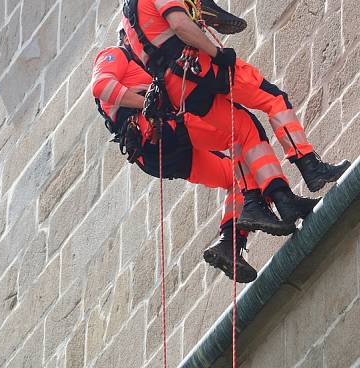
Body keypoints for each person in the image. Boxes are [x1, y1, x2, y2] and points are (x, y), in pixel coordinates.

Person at [121, 0, 351, 228]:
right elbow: (179, 23)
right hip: (197, 66)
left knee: (243, 130)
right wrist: (216, 53)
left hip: (176, 90)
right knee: (272, 98)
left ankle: (276, 200)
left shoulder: (128, 11)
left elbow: (147, 53)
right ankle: (310, 164)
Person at [92, 29, 299, 283]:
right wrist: (148, 102)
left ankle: (229, 244)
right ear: (126, 37)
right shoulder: (114, 55)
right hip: (160, 131)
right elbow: (101, 85)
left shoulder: (148, 66)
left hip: (161, 154)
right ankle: (278, 198)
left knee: (237, 178)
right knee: (242, 130)